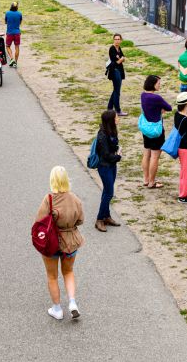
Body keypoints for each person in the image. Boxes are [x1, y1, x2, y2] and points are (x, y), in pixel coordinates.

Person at [35, 166, 84, 320]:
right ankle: (72, 302)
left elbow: (39, 221)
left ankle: (57, 309)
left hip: (52, 242)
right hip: (71, 240)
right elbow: (81, 220)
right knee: (68, 272)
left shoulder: (49, 199)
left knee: (52, 276)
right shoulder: (75, 199)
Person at [140, 75, 172, 189]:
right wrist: (160, 109)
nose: (160, 85)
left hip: (146, 129)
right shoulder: (156, 98)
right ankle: (152, 182)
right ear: (153, 84)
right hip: (156, 130)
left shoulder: (143, 95)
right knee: (154, 157)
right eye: (158, 83)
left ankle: (146, 179)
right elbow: (169, 107)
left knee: (146, 154)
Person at [94, 110, 122, 232]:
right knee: (109, 193)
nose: (118, 119)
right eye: (116, 117)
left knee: (107, 191)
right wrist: (118, 157)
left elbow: (113, 146)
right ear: (111, 120)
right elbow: (105, 155)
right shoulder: (102, 135)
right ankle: (99, 219)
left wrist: (117, 149)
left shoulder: (112, 131)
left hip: (112, 165)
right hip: (105, 166)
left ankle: (107, 216)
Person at [107, 34, 127, 116]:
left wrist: (121, 59)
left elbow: (123, 58)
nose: (117, 40)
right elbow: (117, 62)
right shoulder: (112, 48)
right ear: (113, 40)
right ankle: (118, 110)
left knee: (116, 90)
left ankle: (109, 108)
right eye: (115, 39)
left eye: (118, 39)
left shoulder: (119, 48)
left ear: (121, 40)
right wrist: (120, 59)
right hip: (115, 71)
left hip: (119, 71)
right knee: (117, 91)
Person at [5, 1, 22, 68]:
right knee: (17, 47)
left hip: (9, 33)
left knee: (7, 46)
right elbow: (20, 22)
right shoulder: (19, 14)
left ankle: (12, 59)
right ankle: (16, 62)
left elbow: (6, 22)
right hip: (17, 32)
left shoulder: (7, 13)